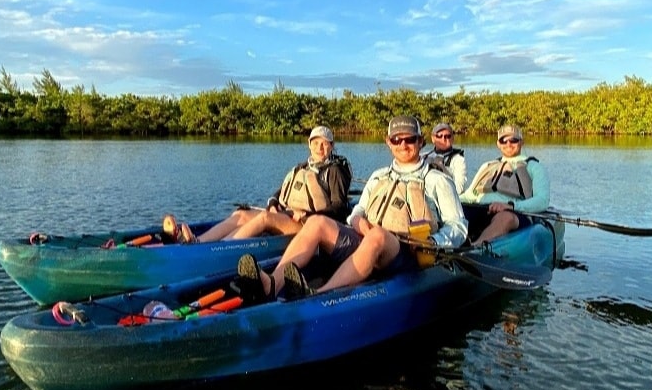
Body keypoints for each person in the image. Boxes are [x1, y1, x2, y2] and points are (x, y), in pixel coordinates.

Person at [236, 115, 468, 301]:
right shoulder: (378, 177)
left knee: (377, 234)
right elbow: (357, 212)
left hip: (407, 252)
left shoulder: (437, 180)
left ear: (420, 142)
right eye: (397, 140)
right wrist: (358, 222)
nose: (403, 145)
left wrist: (436, 242)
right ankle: (273, 284)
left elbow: (458, 226)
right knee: (317, 222)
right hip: (368, 241)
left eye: (410, 139)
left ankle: (321, 295)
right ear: (388, 143)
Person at [162, 126, 353, 244]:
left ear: (332, 146)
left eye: (326, 143)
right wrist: (272, 204)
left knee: (264, 218)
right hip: (287, 217)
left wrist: (308, 215)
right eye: (316, 142)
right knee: (241, 214)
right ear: (309, 144)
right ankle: (198, 242)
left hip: (308, 225)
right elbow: (278, 194)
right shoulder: (301, 168)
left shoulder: (335, 171)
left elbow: (339, 209)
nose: (320, 147)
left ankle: (216, 249)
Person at [459, 124, 550, 245]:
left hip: (515, 214)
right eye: (503, 140)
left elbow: (542, 201)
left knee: (505, 218)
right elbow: (469, 195)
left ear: (521, 142)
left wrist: (511, 206)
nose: (508, 144)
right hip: (482, 209)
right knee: (457, 211)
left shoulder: (534, 167)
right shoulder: (487, 166)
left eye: (513, 140)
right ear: (498, 144)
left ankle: (475, 247)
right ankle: (440, 244)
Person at [422, 121, 467, 194]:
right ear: (433, 139)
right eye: (439, 136)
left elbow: (459, 188)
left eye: (447, 136)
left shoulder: (458, 159)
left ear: (452, 139)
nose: (443, 139)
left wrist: (442, 168)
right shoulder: (424, 156)